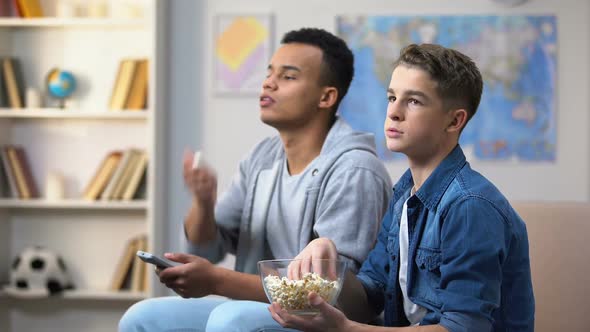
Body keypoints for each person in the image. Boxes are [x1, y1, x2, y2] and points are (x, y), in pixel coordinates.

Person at [119, 28, 392, 332]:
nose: (268, 83)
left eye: (288, 77)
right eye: (269, 72)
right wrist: (204, 203)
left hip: (319, 319)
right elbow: (207, 252)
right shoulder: (262, 156)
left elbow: (336, 294)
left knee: (229, 321)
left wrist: (216, 280)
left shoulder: (355, 169)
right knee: (141, 317)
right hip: (255, 306)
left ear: (326, 97)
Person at [269, 43, 535, 331]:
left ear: (455, 120)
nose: (394, 112)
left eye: (414, 101)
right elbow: (370, 298)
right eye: (392, 97)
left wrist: (346, 329)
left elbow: (462, 327)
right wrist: (330, 265)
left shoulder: (469, 206)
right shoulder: (404, 196)